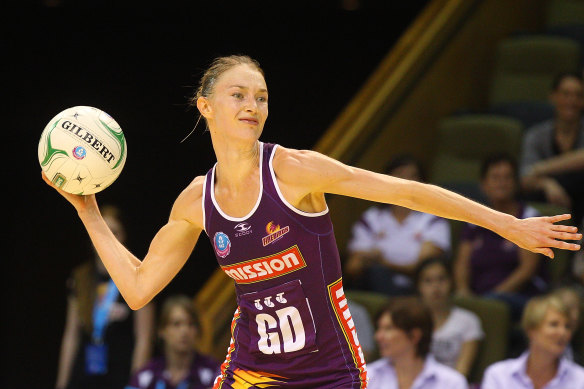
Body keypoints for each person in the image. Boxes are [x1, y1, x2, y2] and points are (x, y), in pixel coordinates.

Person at [42, 54, 582, 388]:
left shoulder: (296, 170)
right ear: (204, 106)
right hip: (252, 368)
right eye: (239, 95)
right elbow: (137, 289)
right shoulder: (194, 201)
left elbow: (407, 192)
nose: (253, 104)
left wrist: (504, 224)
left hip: (331, 372)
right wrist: (86, 210)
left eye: (262, 97)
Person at [55, 205, 155, 389]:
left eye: (114, 232)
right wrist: (62, 383)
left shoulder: (138, 276)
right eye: (102, 232)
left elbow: (143, 338)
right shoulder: (80, 278)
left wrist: (136, 384)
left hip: (121, 376)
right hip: (84, 375)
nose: (108, 239)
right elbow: (71, 335)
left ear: (124, 237)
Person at [454, 153, 549, 321]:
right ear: (483, 185)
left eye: (507, 177)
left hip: (521, 298)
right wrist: (463, 292)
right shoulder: (474, 220)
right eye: (495, 178)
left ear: (516, 183)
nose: (502, 183)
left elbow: (527, 270)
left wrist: (491, 299)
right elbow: (462, 263)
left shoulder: (529, 218)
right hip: (479, 298)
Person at [345, 154, 451, 295]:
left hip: (416, 290)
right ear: (386, 180)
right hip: (375, 287)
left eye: (413, 176)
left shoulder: (433, 218)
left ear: (422, 182)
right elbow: (353, 267)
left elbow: (423, 268)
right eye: (400, 175)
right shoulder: (371, 218)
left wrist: (381, 261)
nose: (406, 182)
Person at [519, 71, 584, 225]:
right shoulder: (536, 135)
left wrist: (541, 169)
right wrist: (547, 184)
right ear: (553, 97)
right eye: (566, 94)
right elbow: (525, 177)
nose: (571, 101)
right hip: (547, 208)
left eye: (578, 95)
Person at [481, 293, 584, 389]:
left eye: (567, 327)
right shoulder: (498, 375)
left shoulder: (580, 380)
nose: (563, 332)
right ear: (531, 330)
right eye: (554, 324)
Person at [367, 297, 469, 389]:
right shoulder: (366, 376)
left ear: (415, 336)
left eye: (388, 329)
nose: (378, 337)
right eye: (379, 329)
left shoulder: (451, 383)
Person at [126, 295, 220, 389]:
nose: (184, 331)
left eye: (191, 324)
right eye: (176, 324)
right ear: (162, 330)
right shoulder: (146, 375)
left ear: (197, 330)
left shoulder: (215, 374)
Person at [416, 256, 484, 379]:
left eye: (441, 279)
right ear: (419, 287)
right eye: (428, 281)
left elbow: (461, 372)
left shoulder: (468, 321)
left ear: (451, 282)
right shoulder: (410, 321)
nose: (436, 287)